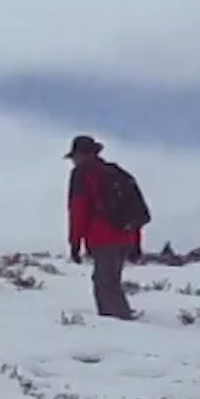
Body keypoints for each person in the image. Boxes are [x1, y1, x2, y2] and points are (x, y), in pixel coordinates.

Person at [66, 134, 141, 319]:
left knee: (105, 283)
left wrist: (75, 243)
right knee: (112, 281)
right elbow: (134, 210)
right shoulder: (117, 173)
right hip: (126, 236)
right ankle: (121, 319)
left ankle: (116, 325)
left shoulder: (83, 174)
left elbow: (78, 210)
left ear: (80, 155)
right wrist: (136, 243)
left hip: (103, 236)